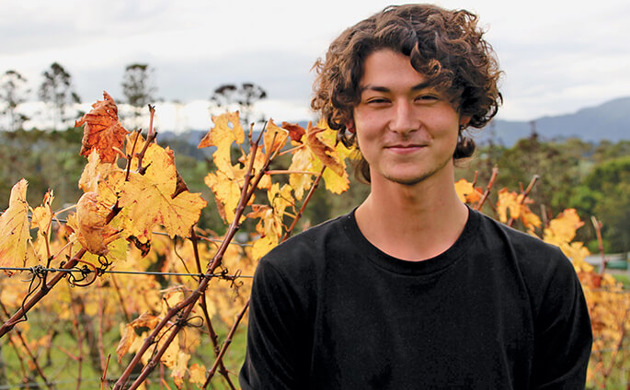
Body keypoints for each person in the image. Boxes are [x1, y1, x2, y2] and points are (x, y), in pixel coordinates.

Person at [239, 4, 592, 389]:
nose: (403, 123)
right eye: (379, 101)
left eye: (426, 98)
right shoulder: (290, 279)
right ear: (349, 118)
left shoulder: (541, 277)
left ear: (464, 111)